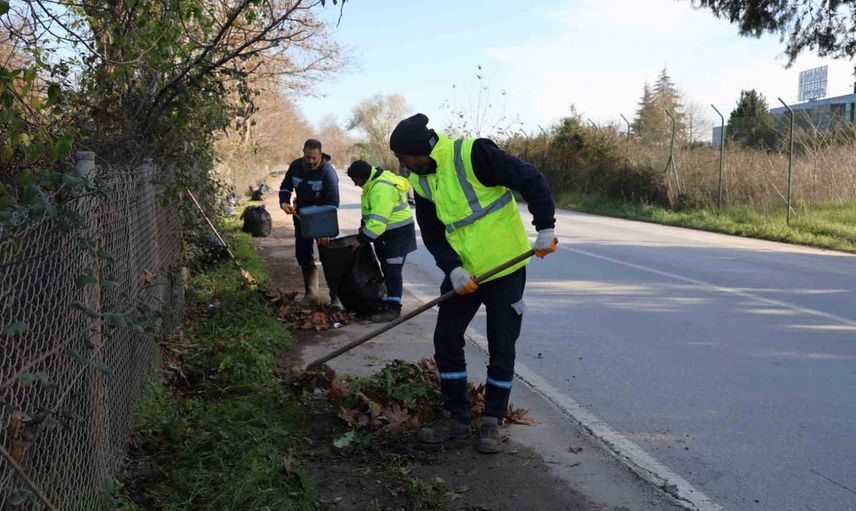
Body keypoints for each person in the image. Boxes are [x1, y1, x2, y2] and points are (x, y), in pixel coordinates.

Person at [389, 113, 557, 454]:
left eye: (403, 157)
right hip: (466, 274)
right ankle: (456, 417)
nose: (402, 164)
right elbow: (433, 233)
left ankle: (492, 420)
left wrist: (545, 227)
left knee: (501, 344)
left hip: (505, 268)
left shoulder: (473, 154)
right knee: (446, 338)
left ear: (420, 151)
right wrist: (452, 269)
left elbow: (531, 178)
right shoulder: (420, 181)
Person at [346, 160, 417, 322]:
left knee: (392, 270)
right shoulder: (373, 183)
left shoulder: (381, 188)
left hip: (396, 234)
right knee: (387, 267)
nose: (355, 184)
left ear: (363, 177)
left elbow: (378, 222)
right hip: (390, 234)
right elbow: (371, 213)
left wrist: (361, 239)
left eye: (355, 180)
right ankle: (388, 300)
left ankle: (393, 308)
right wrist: (363, 228)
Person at [279, 139, 341, 308]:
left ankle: (336, 297)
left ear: (320, 155)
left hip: (322, 221)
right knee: (303, 254)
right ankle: (311, 294)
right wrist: (284, 202)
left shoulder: (328, 172)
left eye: (314, 158)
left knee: (328, 257)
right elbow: (285, 187)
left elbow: (332, 203)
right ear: (303, 153)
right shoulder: (295, 166)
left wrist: (325, 230)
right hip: (302, 219)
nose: (311, 161)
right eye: (308, 157)